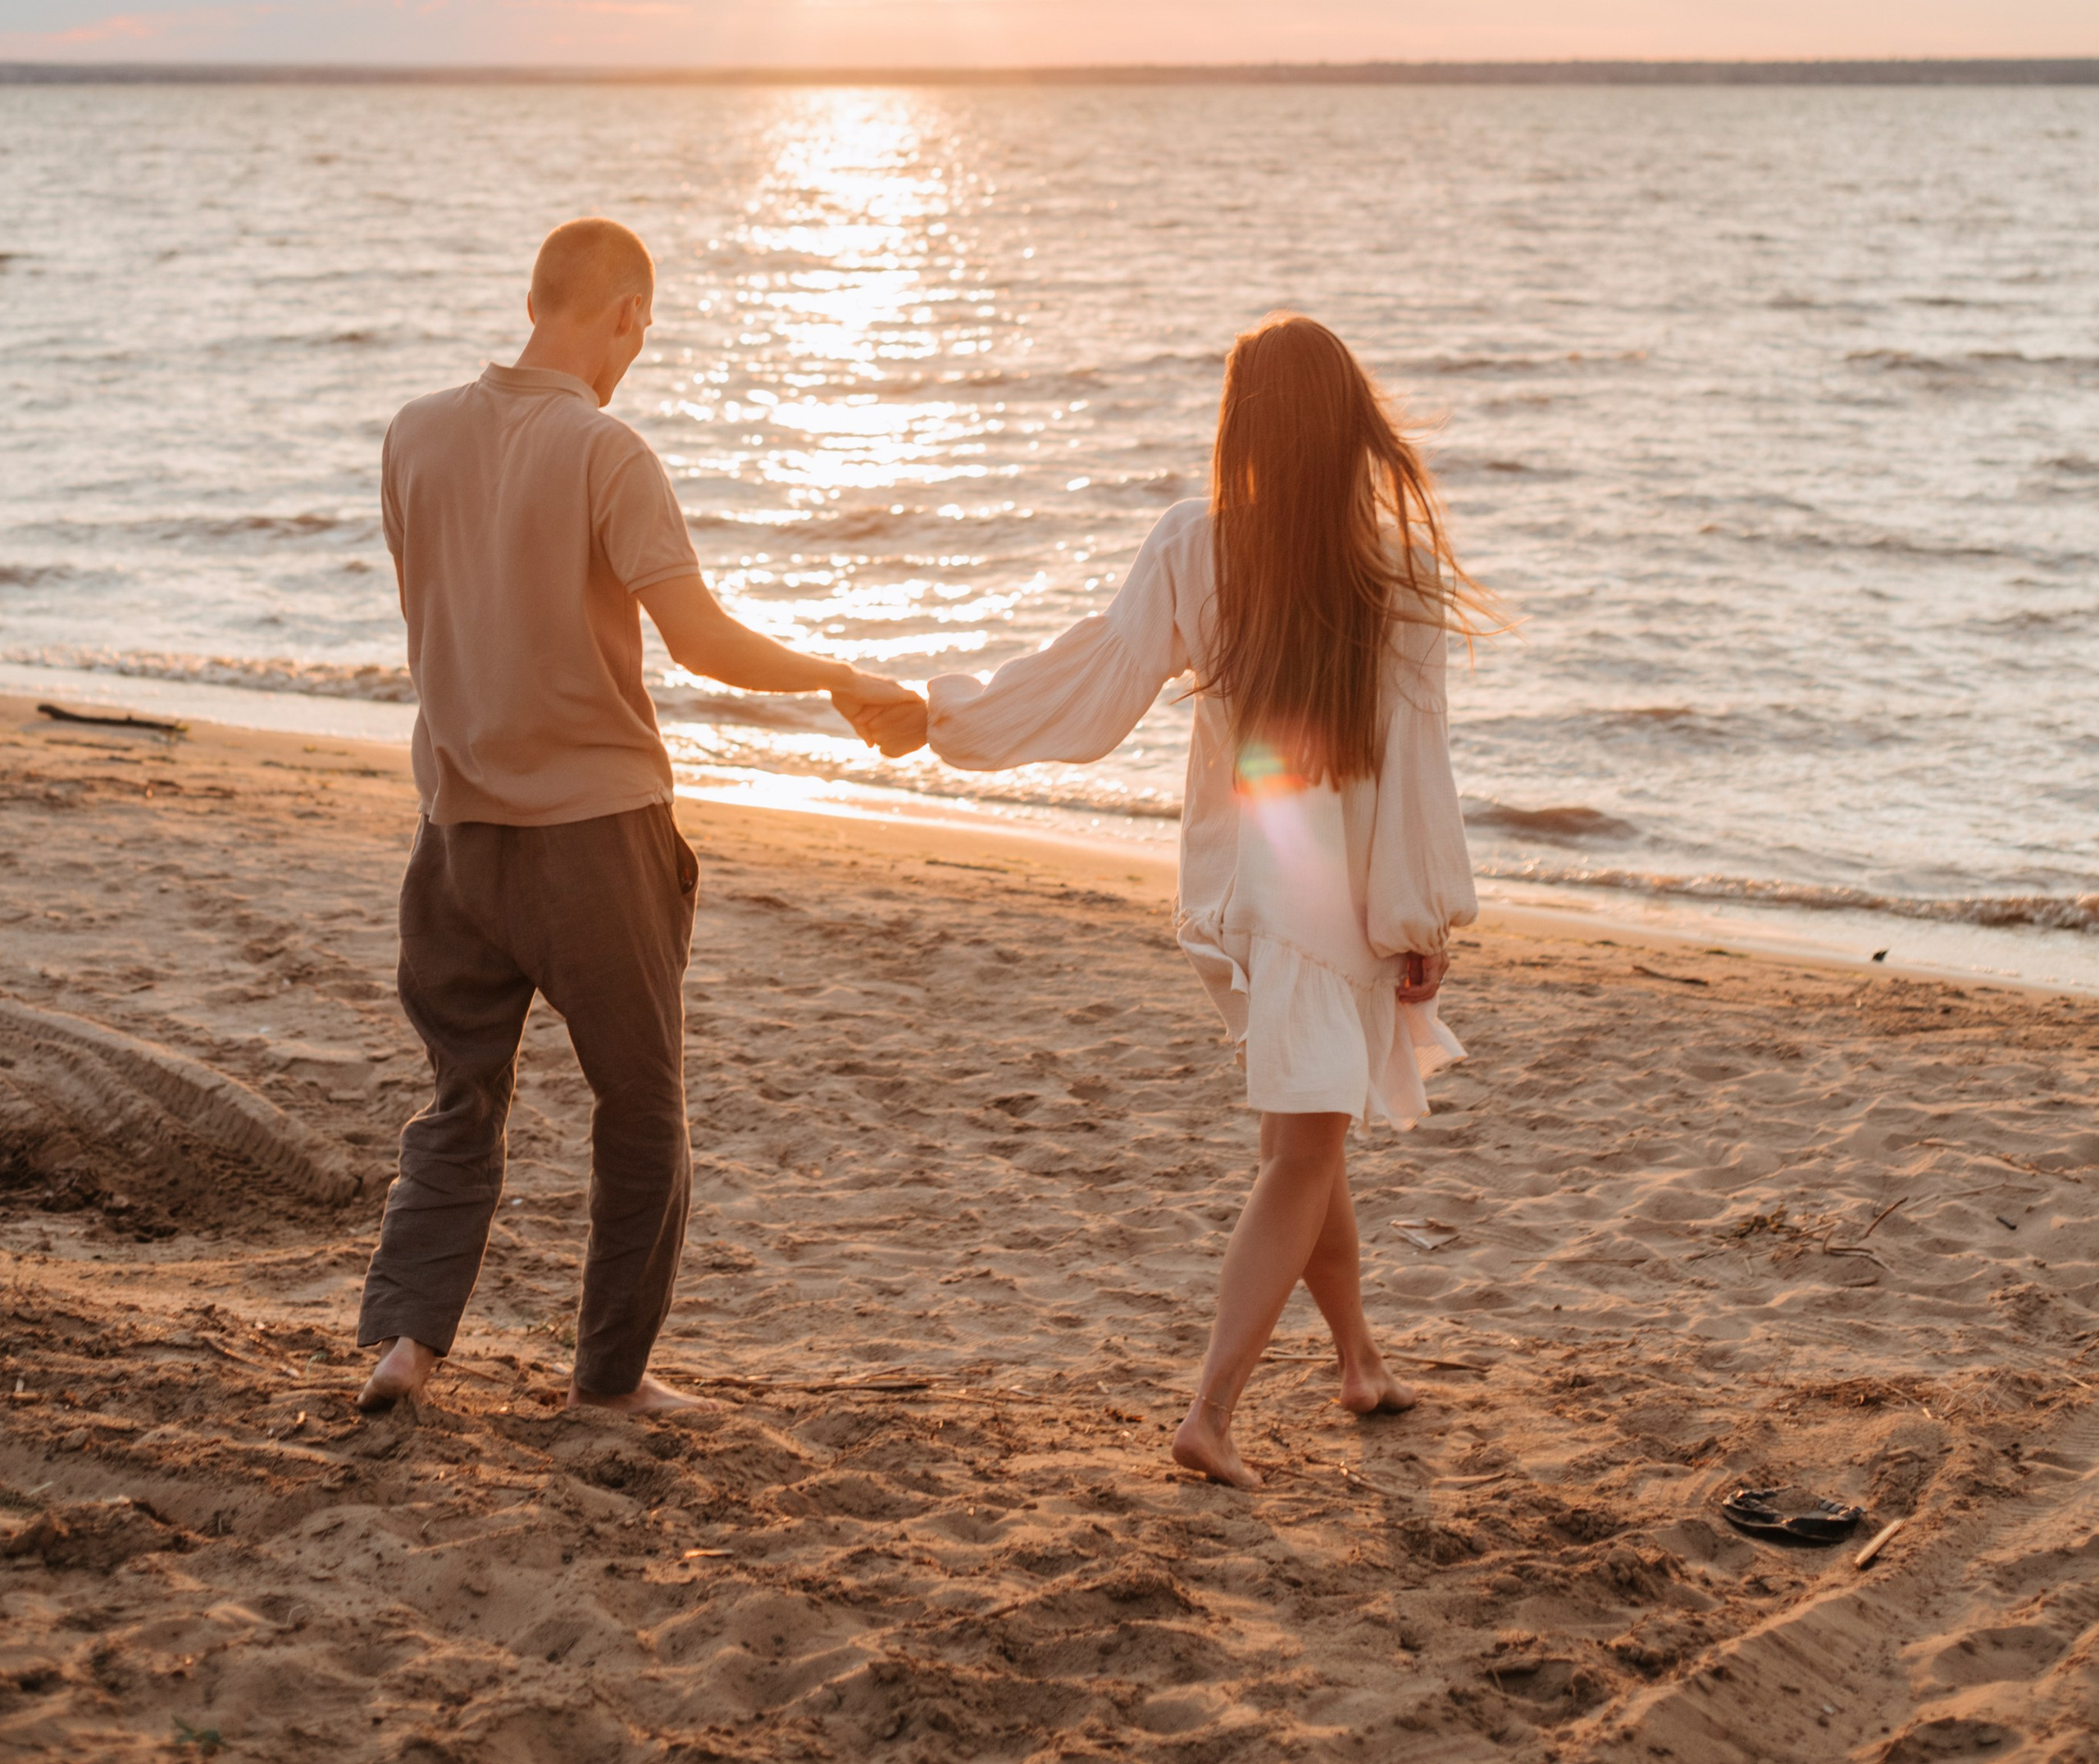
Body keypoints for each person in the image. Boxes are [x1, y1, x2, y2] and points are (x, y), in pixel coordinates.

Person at [357, 216, 922, 1420]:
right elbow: (699, 640)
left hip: (453, 833)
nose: (634, 355)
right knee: (643, 1109)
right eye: (642, 331)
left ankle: (405, 1345)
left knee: (462, 1100)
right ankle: (608, 1384)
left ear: (532, 299)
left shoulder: (413, 433)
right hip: (594, 837)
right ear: (625, 315)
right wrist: (836, 673)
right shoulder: (607, 450)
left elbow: (438, 610)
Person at [927, 314, 1491, 1486]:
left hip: (1238, 894)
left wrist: (959, 722)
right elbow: (1416, 768)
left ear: (1245, 428)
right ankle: (1212, 1413)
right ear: (1350, 427)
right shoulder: (1396, 571)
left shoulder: (1196, 542)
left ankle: (1360, 1362)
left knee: (1308, 1135)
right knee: (1302, 1152)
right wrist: (1420, 921)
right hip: (1330, 915)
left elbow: (1094, 682)